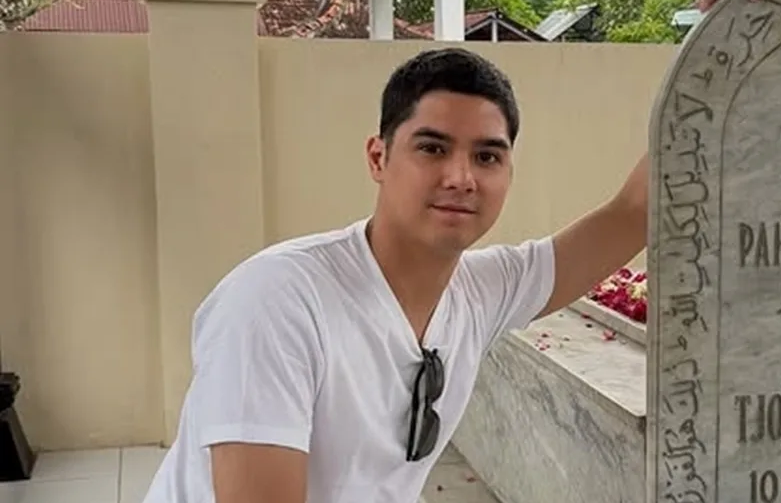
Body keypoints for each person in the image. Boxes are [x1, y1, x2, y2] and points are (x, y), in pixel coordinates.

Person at [142, 48, 649, 503]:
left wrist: (725, 36)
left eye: (487, 156)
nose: (461, 177)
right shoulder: (278, 301)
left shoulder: (479, 291)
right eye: (432, 148)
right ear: (378, 157)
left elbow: (632, 213)